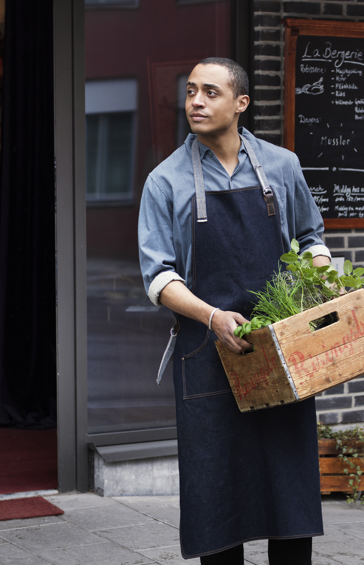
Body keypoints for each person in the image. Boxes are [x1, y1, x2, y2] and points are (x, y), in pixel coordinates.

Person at [138, 58, 330, 564]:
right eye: (190, 92)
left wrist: (323, 280)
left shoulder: (283, 166)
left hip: (279, 350)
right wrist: (213, 317)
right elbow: (158, 278)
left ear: (240, 103)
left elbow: (310, 237)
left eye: (210, 92)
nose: (196, 101)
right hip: (207, 351)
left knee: (286, 491)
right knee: (216, 497)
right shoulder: (165, 181)